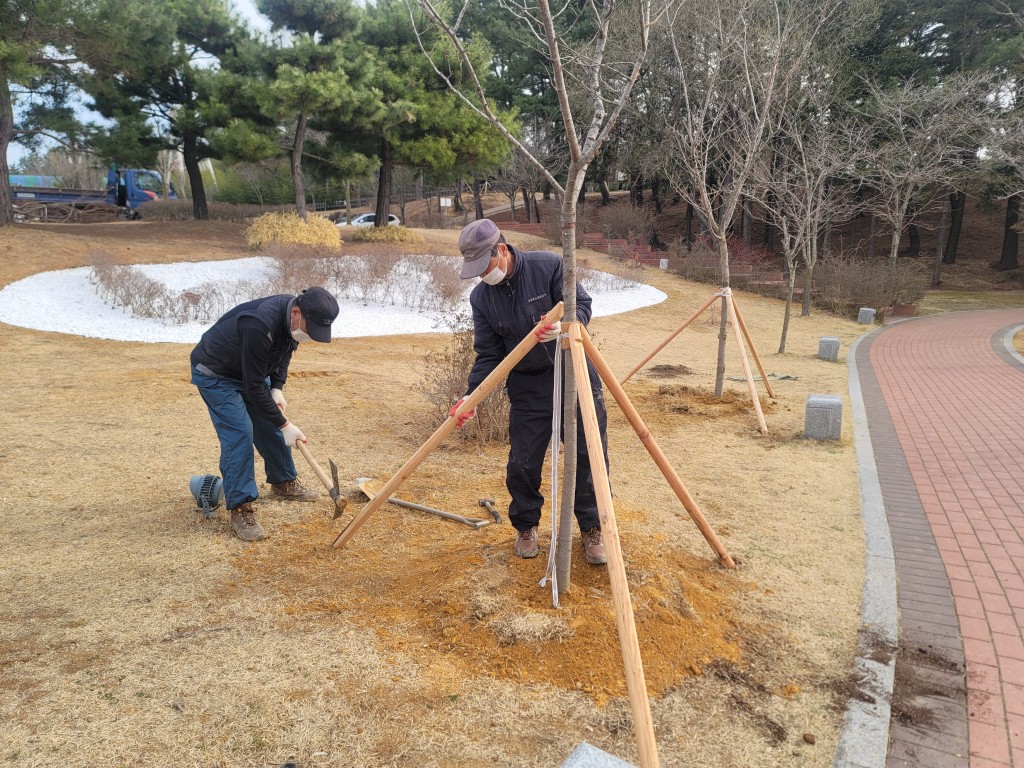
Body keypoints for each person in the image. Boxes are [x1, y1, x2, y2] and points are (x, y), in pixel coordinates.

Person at [451, 219, 609, 565]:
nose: (483, 276)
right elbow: (489, 353)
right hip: (527, 383)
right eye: (476, 271)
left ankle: (593, 527)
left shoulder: (548, 266)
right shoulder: (482, 298)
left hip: (574, 370)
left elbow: (582, 303)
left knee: (588, 454)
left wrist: (567, 325)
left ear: (502, 250)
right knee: (522, 461)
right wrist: (471, 395)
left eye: (486, 266)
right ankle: (526, 526)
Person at [190, 287, 340, 542]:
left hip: (249, 372)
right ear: (296, 312)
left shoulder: (292, 323)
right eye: (309, 329)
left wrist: (278, 388)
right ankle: (240, 507)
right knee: (240, 432)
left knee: (269, 422)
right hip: (216, 372)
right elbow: (253, 386)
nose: (308, 336)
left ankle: (283, 481)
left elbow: (282, 356)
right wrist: (285, 424)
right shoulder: (258, 323)